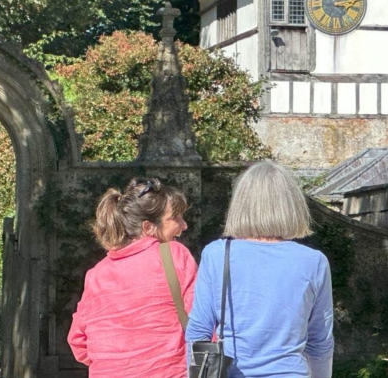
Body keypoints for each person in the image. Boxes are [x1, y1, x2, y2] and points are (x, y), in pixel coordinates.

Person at [186, 161, 334, 378]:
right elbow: (320, 342)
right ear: (292, 205)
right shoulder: (314, 262)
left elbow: (199, 331)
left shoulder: (217, 254)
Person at [68, 177, 196, 378]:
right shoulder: (174, 255)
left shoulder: (96, 274)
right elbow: (201, 320)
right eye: (175, 218)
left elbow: (78, 341)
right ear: (148, 227)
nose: (184, 225)